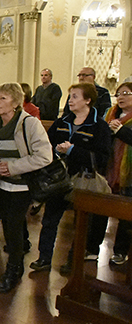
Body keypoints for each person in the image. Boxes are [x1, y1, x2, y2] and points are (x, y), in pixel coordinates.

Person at [30, 83, 112, 274]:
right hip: (59, 179)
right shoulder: (62, 122)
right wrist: (56, 150)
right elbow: (46, 145)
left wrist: (73, 150)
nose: (70, 100)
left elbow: (101, 158)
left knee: (81, 224)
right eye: (70, 97)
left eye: (75, 96)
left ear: (88, 100)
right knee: (50, 220)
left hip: (83, 179)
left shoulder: (99, 126)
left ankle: (73, 261)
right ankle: (44, 258)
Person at [0, 83, 52, 293]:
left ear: (16, 103)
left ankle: (14, 271)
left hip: (23, 186)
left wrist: (13, 167)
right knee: (7, 227)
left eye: (3, 98)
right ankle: (14, 265)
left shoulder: (29, 124)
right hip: (2, 185)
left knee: (13, 229)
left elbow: (44, 155)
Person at [105, 82, 132, 266]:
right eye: (118, 94)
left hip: (129, 173)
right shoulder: (111, 114)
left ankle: (121, 251)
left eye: (126, 93)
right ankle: (93, 249)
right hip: (110, 167)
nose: (120, 97)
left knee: (126, 212)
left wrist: (120, 131)